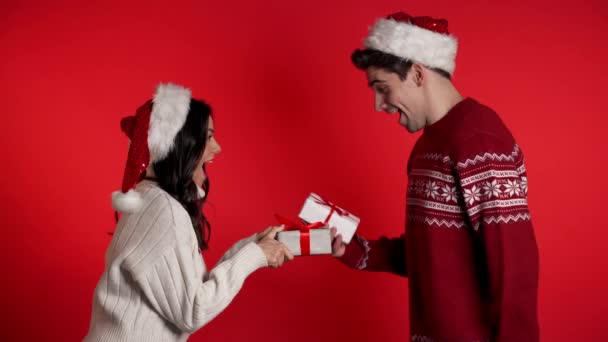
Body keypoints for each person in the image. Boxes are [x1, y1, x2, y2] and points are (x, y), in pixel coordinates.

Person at [331, 12, 539, 341]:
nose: (378, 104)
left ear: (416, 73)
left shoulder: (479, 140)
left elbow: (513, 269)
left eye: (382, 88)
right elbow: (430, 254)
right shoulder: (427, 146)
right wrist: (353, 250)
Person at [84, 83, 293, 341]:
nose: (217, 148)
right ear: (181, 145)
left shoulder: (150, 199)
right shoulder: (164, 211)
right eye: (208, 137)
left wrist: (253, 247)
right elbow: (193, 310)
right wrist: (255, 255)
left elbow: (190, 290)